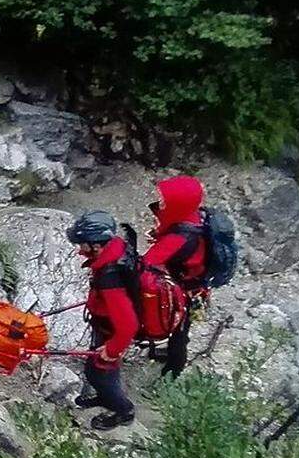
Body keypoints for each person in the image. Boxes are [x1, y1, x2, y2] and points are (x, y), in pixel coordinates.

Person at [67, 210, 139, 430]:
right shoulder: (116, 249)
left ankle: (123, 410)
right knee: (96, 369)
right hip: (105, 325)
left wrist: (113, 350)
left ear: (97, 245)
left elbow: (128, 326)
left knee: (98, 375)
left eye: (83, 245)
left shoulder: (110, 277)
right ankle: (106, 397)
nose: (80, 250)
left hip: (111, 332)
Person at [142, 176, 207, 378]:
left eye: (165, 201)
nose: (160, 203)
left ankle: (173, 371)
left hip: (186, 291)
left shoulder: (179, 238)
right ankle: (172, 358)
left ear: (177, 205)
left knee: (179, 332)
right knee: (181, 330)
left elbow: (146, 263)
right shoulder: (194, 217)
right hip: (196, 285)